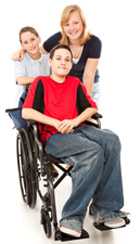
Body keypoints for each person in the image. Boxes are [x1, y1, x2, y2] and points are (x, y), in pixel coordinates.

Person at [22, 44, 129, 238]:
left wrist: (74, 121)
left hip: (79, 128)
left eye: (67, 59)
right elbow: (27, 112)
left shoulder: (74, 83)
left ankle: (105, 210)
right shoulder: (41, 82)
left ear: (71, 65)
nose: (63, 62)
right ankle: (71, 217)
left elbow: (91, 109)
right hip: (54, 136)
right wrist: (56, 122)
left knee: (112, 140)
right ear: (51, 61)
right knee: (93, 151)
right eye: (59, 58)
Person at [12, 5, 102, 103]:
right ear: (62, 26)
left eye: (75, 23)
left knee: (87, 114)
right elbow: (37, 50)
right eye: (67, 24)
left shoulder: (94, 42)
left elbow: (88, 77)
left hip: (89, 88)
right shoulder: (58, 38)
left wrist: (84, 104)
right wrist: (22, 50)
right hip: (65, 88)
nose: (71, 28)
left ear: (83, 23)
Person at [15, 26, 49, 107]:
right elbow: (19, 80)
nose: (30, 44)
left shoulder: (48, 56)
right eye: (26, 42)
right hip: (26, 100)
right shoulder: (21, 58)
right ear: (22, 45)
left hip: (46, 97)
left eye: (32, 40)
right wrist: (39, 80)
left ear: (39, 39)